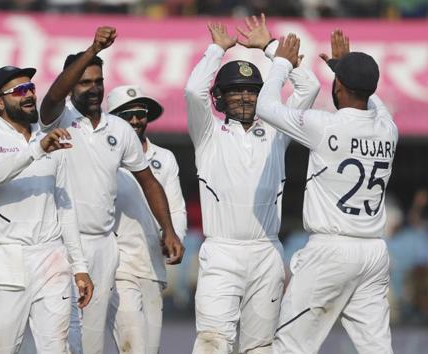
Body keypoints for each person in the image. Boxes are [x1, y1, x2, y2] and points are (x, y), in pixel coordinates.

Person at [39, 26, 185, 354]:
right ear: (71, 83)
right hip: (59, 244)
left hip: (103, 247)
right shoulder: (57, 118)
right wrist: (93, 49)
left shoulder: (119, 129)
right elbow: (51, 96)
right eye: (85, 81)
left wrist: (169, 229)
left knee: (90, 343)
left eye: (99, 82)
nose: (93, 89)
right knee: (58, 337)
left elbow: (149, 181)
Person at [184, 16, 320, 353]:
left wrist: (271, 48)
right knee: (213, 343)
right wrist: (217, 50)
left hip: (267, 252)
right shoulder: (208, 134)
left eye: (252, 91)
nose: (245, 98)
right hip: (221, 252)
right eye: (236, 91)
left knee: (260, 346)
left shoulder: (277, 132)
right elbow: (192, 89)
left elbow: (310, 88)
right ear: (220, 98)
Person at [256, 30, 397, 354]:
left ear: (339, 87)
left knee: (290, 346)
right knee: (377, 348)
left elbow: (265, 106)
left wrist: (280, 61)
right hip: (373, 252)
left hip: (330, 251)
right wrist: (342, 69)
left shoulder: (324, 125)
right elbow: (371, 101)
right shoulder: (389, 129)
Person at [0, 64, 94, 353]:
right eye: (19, 91)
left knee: (57, 348)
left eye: (31, 88)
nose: (28, 95)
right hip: (7, 257)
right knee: (1, 348)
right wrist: (36, 151)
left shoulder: (50, 140)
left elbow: (65, 207)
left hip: (52, 257)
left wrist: (80, 267)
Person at [105, 85, 187, 354]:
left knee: (149, 350)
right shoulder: (104, 156)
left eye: (140, 114)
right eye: (126, 114)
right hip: (118, 267)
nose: (135, 121)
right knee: (135, 349)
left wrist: (175, 237)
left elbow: (176, 208)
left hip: (152, 265)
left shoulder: (164, 157)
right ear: (113, 118)